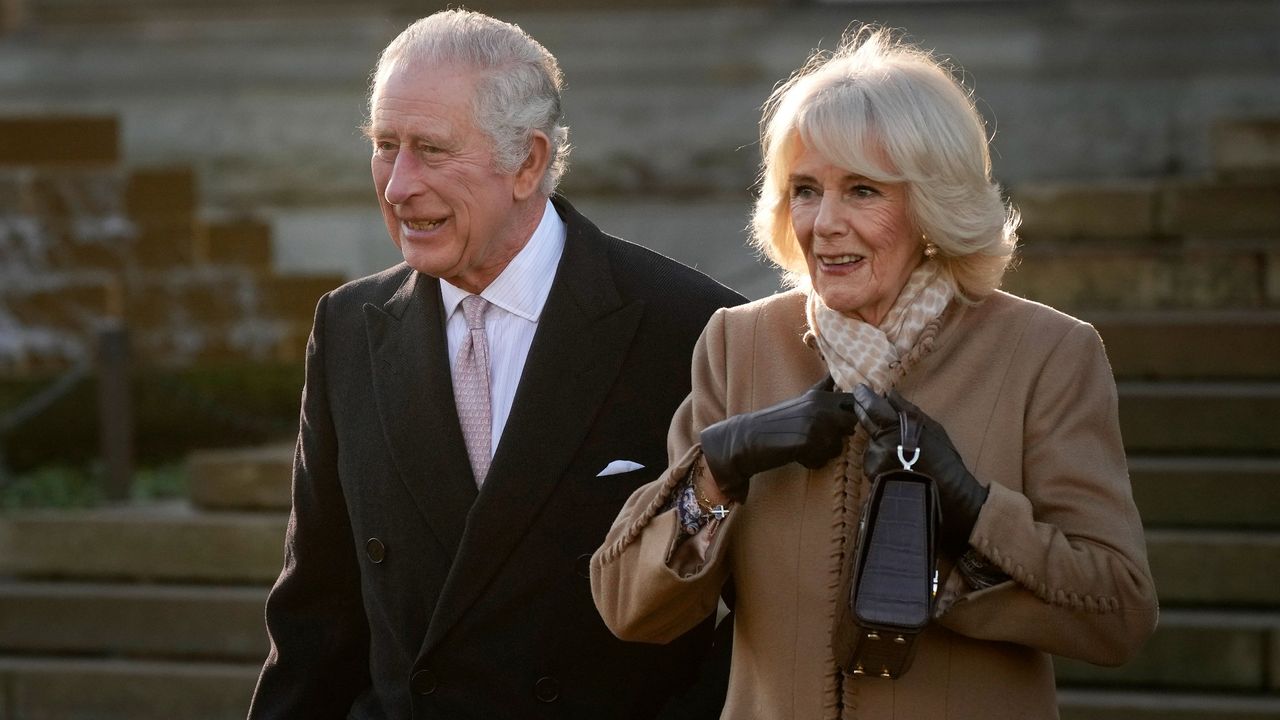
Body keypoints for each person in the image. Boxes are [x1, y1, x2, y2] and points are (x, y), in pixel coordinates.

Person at [591, 26, 1158, 719]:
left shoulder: (1045, 352)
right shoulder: (739, 344)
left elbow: (1118, 613)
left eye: (862, 190)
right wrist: (717, 469)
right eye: (804, 190)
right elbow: (627, 607)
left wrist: (976, 513)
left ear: (931, 206)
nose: (824, 223)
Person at [246, 10, 745, 720]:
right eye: (385, 145)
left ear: (529, 162)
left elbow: (758, 618)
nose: (396, 185)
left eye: (431, 149)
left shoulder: (694, 329)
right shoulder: (348, 330)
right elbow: (313, 617)